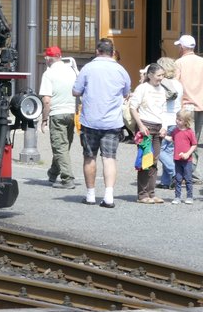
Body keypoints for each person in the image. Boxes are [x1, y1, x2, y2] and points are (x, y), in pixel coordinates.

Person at [73, 38, 131, 208]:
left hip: (90, 120)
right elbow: (126, 92)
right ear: (113, 52)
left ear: (97, 51)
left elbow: (76, 91)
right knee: (109, 158)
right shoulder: (121, 70)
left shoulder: (88, 68)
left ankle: (90, 195)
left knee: (89, 157)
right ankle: (109, 196)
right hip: (112, 122)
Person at [38, 46, 78, 188]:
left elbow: (47, 100)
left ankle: (67, 179)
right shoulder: (71, 71)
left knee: (60, 146)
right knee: (63, 146)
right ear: (60, 56)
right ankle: (53, 173)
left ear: (48, 58)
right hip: (72, 112)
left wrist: (44, 120)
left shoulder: (48, 74)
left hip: (57, 113)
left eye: (46, 58)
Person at [128, 63, 168, 203]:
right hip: (146, 127)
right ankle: (142, 195)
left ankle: (152, 193)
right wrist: (140, 125)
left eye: (163, 75)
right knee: (146, 160)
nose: (161, 78)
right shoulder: (142, 88)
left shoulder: (162, 90)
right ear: (150, 75)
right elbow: (133, 108)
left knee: (154, 161)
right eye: (158, 75)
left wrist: (164, 126)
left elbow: (164, 110)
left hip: (158, 128)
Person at [156, 58, 182, 189]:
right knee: (169, 150)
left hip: (165, 120)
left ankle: (174, 173)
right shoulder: (178, 84)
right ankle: (166, 181)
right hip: (176, 120)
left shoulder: (162, 84)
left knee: (157, 150)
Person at [175, 34, 203, 141]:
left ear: (182, 47)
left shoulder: (179, 62)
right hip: (200, 103)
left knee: (185, 135)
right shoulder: (202, 61)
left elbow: (175, 83)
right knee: (196, 136)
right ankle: (194, 154)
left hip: (186, 104)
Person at [171, 109, 197, 204]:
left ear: (186, 121)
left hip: (187, 160)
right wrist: (164, 136)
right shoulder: (175, 130)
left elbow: (194, 144)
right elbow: (172, 139)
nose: (177, 121)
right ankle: (177, 197)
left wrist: (187, 154)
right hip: (177, 159)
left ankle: (189, 196)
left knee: (188, 178)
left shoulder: (189, 132)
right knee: (178, 178)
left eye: (180, 119)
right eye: (177, 118)